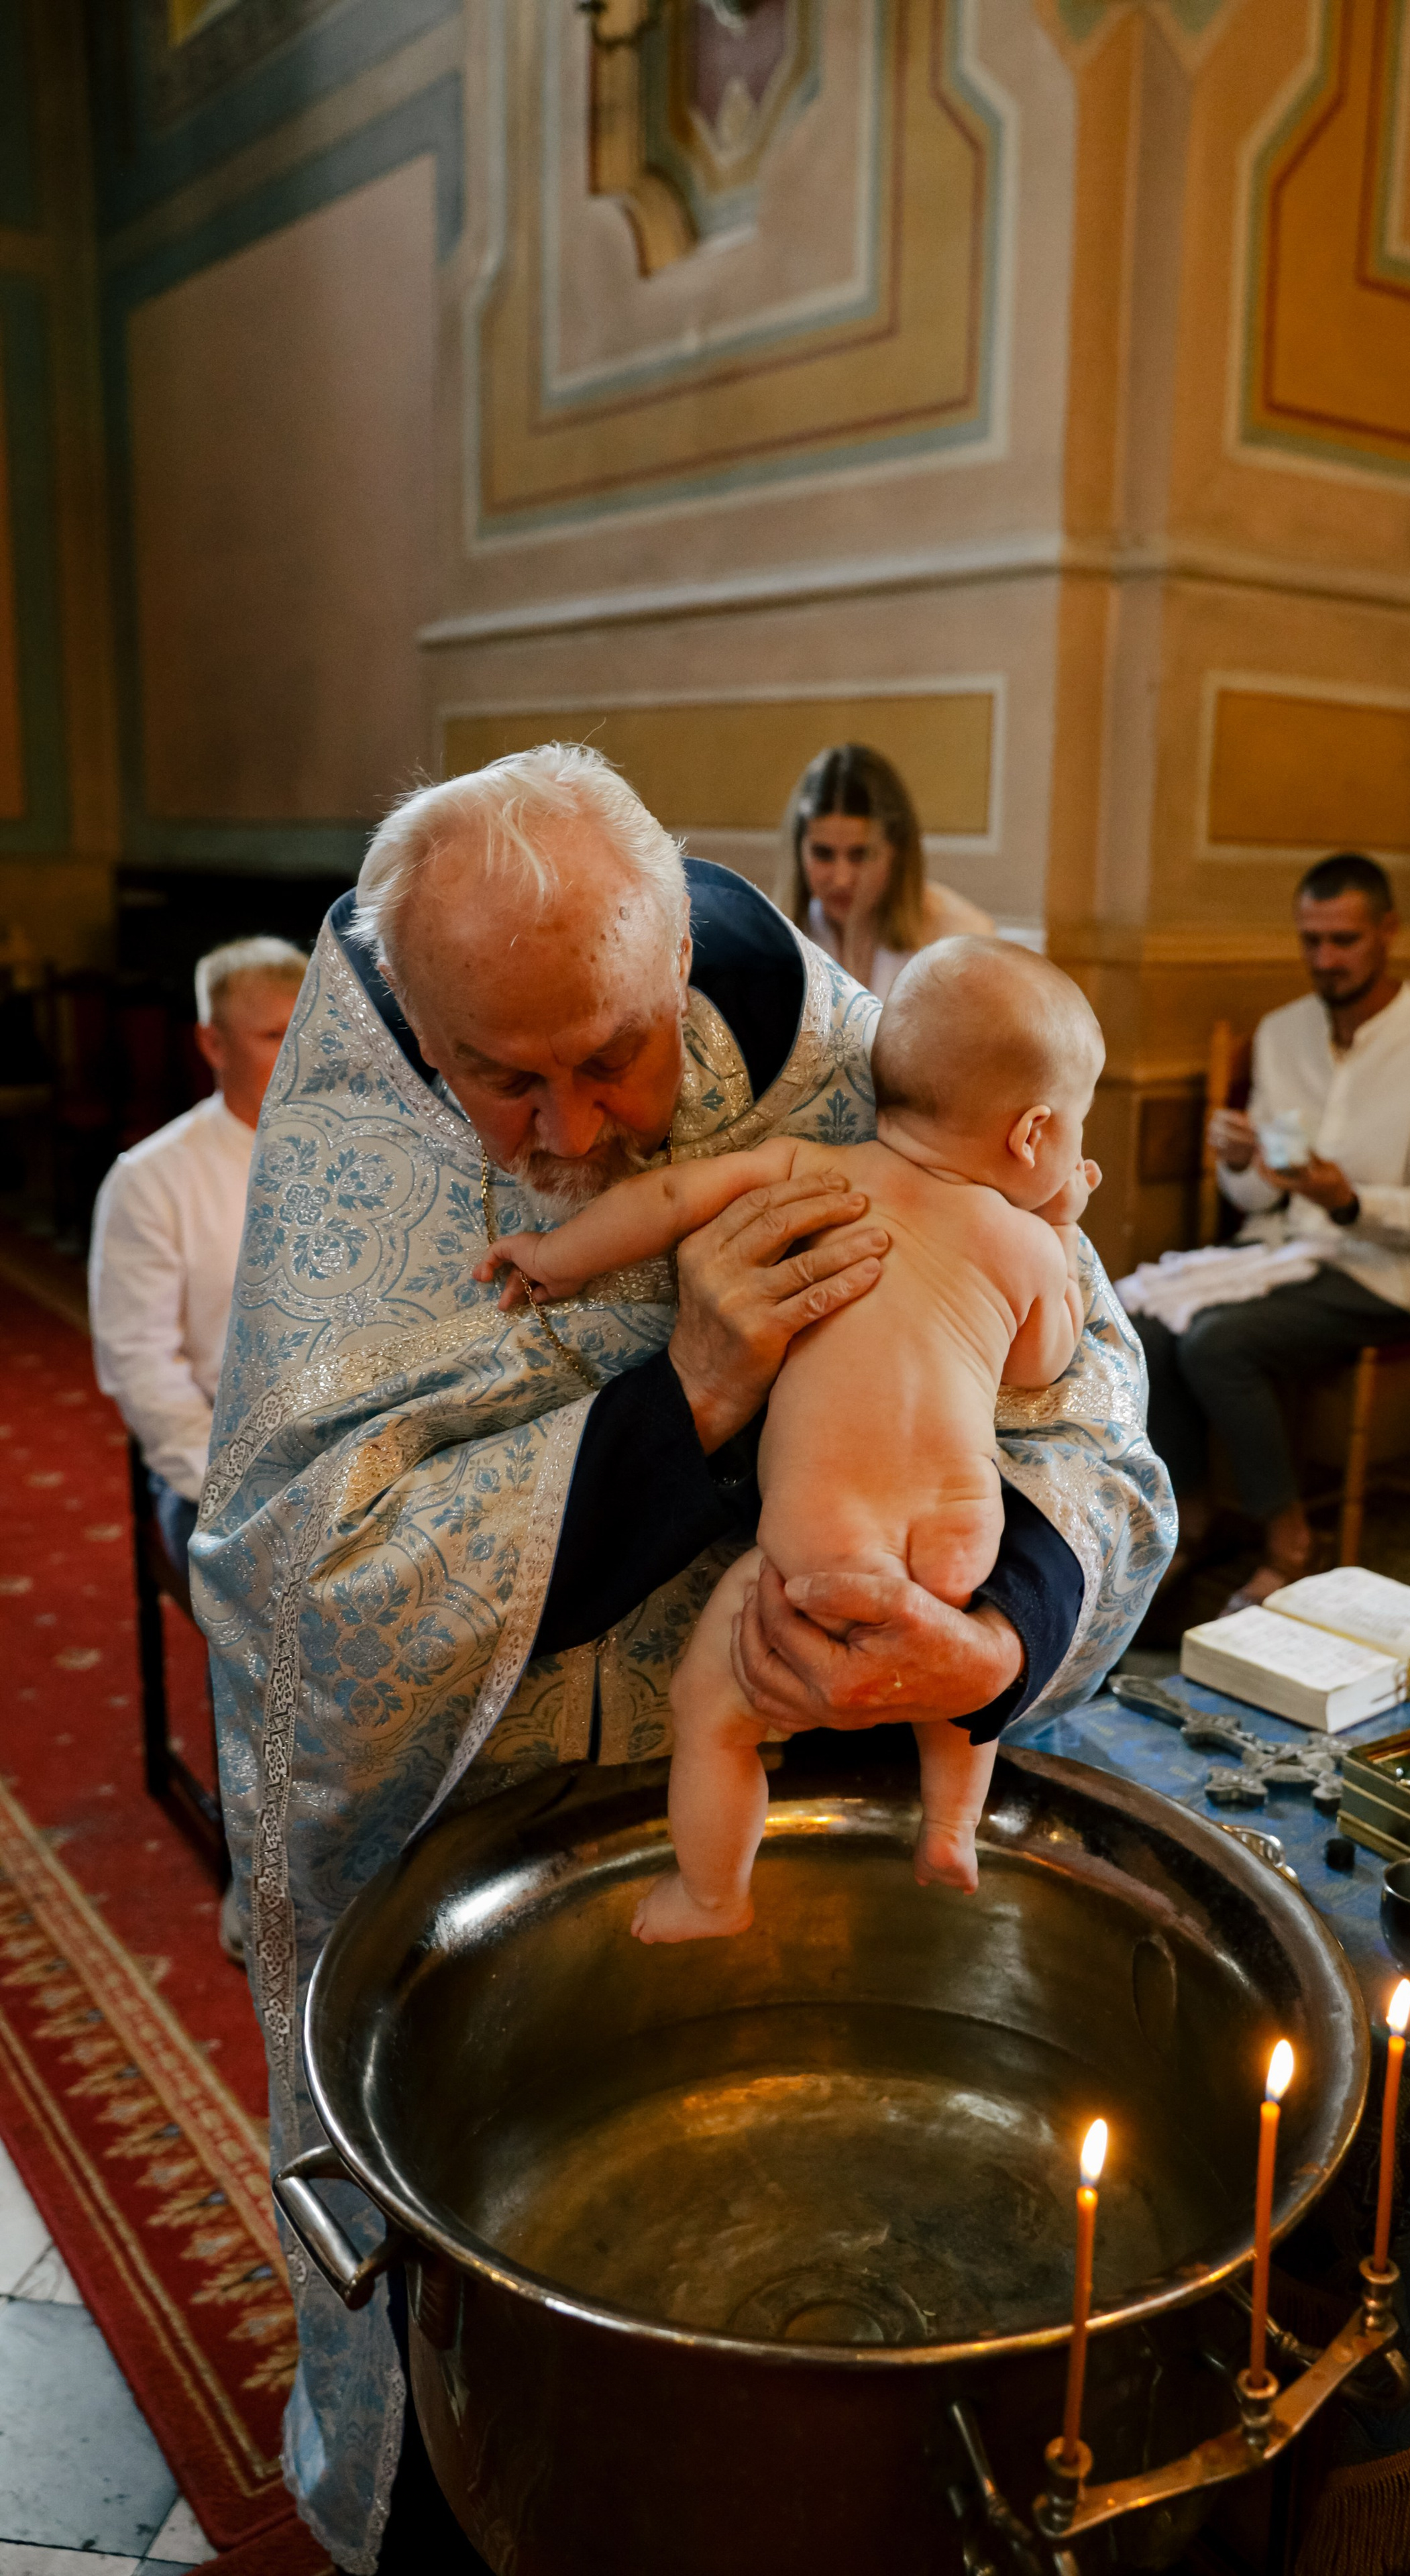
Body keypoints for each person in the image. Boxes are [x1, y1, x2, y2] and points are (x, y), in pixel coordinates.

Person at [193, 743, 1169, 2576]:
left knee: (801, 2343)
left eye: (611, 1059)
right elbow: (291, 1595)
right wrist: (685, 1404)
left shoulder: (826, 1051)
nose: (569, 1134)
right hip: (472, 1896)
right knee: (494, 2447)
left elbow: (1093, 1415)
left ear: (671, 966)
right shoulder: (357, 1131)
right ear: (424, 1018)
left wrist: (988, 1632)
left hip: (801, 1857)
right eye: (507, 1079)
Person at [478, 937, 1104, 1941]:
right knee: (958, 1663)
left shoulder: (815, 1171)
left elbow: (671, 1202)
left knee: (711, 1708)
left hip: (811, 1548)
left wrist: (555, 1254)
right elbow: (1042, 1365)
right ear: (1034, 1137)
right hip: (959, 1540)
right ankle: (950, 1827)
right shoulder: (1025, 1242)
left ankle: (713, 1894)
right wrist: (1061, 1233)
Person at [1135, 853, 1410, 1605]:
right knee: (1143, 1320)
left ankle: (1288, 1540)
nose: (1324, 960)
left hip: (1383, 1268)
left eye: (1343, 940)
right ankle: (1195, 1515)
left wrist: (1349, 1200)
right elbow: (1260, 1187)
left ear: (1387, 932)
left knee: (1217, 1341)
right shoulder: (1282, 1033)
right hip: (1278, 1246)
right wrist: (1238, 1160)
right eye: (1311, 941)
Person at [89, 936, 309, 1576]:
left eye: (310, 1029)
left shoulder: (361, 1155)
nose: (302, 1055)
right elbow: (141, 1364)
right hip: (217, 1466)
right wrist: (228, 1487)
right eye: (274, 1035)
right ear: (212, 1044)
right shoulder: (152, 1178)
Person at [781, 741, 993, 998]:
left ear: (897, 852)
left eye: (861, 855)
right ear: (799, 851)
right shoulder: (775, 937)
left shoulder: (959, 940)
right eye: (823, 854)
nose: (841, 879)